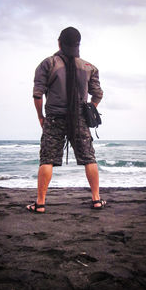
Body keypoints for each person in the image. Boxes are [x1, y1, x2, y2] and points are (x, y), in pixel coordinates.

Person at [27, 27, 106, 213]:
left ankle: (40, 203)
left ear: (59, 43)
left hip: (54, 117)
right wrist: (89, 110)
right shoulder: (89, 68)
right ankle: (96, 199)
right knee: (89, 158)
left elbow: (37, 95)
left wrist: (40, 116)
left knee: (47, 159)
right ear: (78, 44)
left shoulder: (47, 64)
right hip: (79, 119)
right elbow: (98, 94)